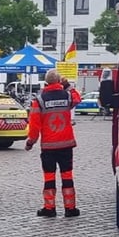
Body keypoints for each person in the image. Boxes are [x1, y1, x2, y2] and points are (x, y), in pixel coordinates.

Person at [25, 69, 81, 218]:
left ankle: (49, 208)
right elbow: (77, 98)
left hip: (49, 146)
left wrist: (31, 142)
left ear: (46, 82)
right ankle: (70, 208)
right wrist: (67, 85)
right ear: (58, 81)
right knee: (67, 176)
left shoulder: (39, 99)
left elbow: (34, 124)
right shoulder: (67, 95)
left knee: (49, 177)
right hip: (66, 145)